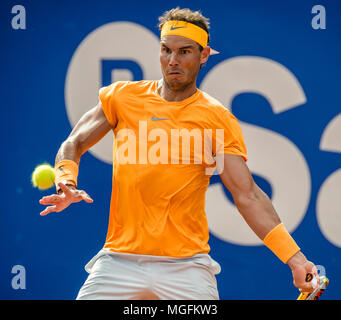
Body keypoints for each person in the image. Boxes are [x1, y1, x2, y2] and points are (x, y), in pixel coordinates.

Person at [39, 7, 319, 300]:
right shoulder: (122, 98)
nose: (172, 61)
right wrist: (67, 182)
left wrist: (295, 258)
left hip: (186, 267)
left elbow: (247, 194)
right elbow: (74, 142)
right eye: (166, 50)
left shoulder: (216, 118)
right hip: (119, 261)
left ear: (204, 55)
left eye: (184, 52)